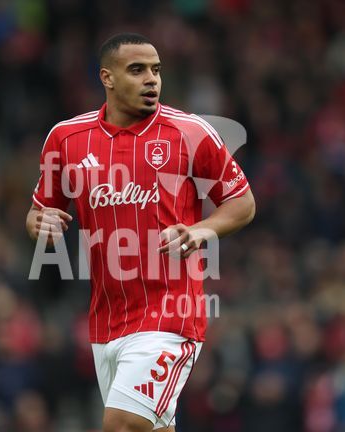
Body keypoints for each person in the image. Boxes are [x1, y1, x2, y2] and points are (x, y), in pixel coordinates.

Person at [26, 33, 255, 432]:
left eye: (156, 70)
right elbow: (39, 212)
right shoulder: (66, 138)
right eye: (137, 70)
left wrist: (201, 231)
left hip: (171, 315)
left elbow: (243, 202)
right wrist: (39, 224)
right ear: (107, 78)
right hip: (106, 320)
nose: (151, 79)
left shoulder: (191, 132)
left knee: (122, 424)